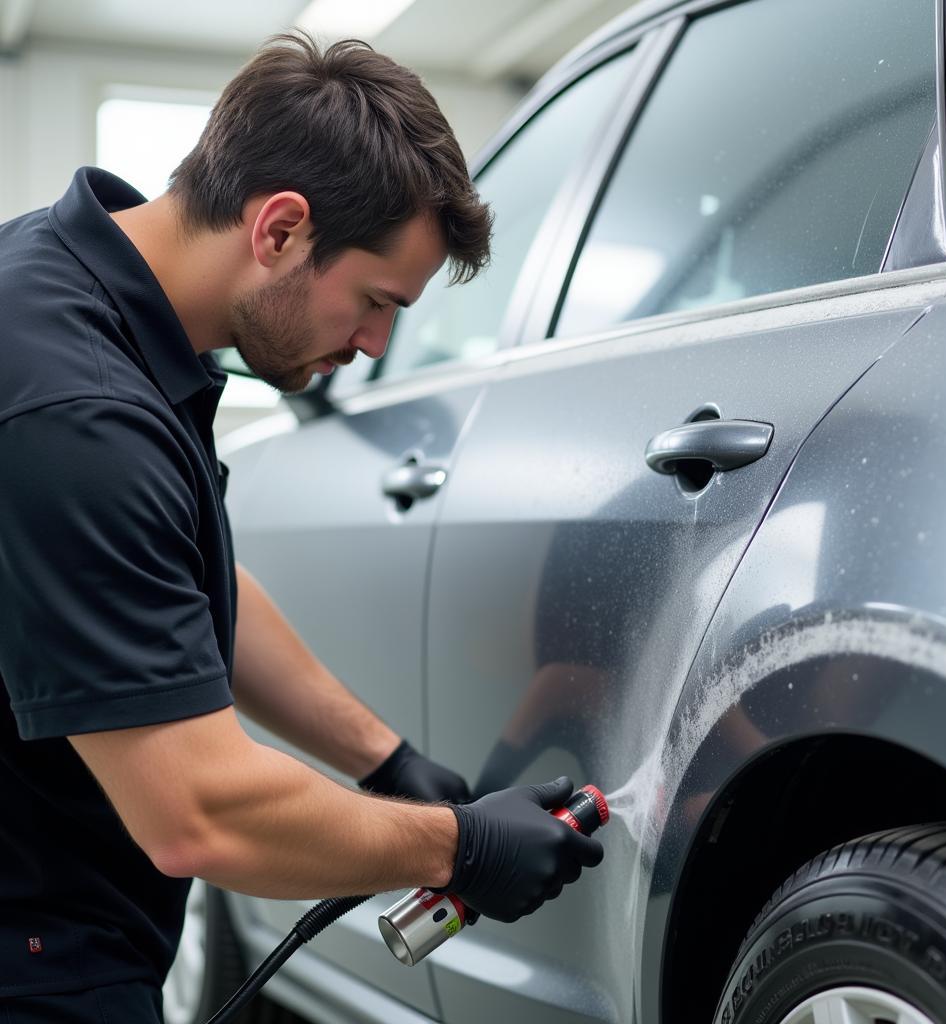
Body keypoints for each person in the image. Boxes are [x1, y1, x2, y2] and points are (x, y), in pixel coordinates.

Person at [0, 33, 603, 1024]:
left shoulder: (78, 289)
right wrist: (459, 845)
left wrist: (384, 759)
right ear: (279, 230)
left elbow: (183, 597)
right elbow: (198, 814)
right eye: (373, 302)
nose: (373, 348)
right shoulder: (77, 411)